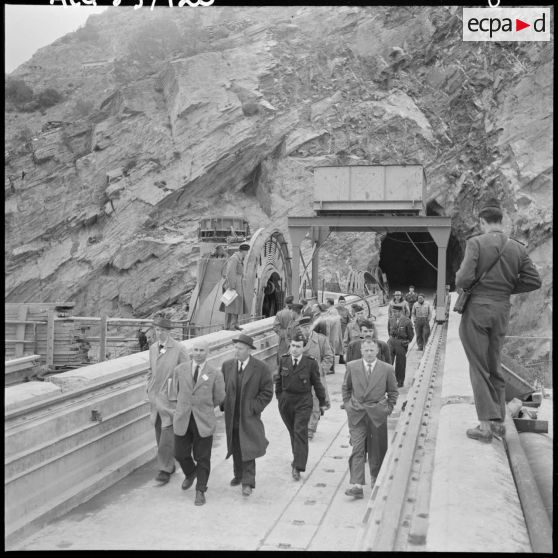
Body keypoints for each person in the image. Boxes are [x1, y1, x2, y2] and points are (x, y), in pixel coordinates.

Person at [455, 198, 541, 443]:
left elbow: (462, 280)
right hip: (502, 310)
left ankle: (485, 427)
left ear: (482, 222)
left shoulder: (476, 243)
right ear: (501, 222)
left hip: (477, 310)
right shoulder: (516, 248)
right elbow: (534, 280)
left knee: (478, 366)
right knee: (494, 364)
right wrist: (505, 288)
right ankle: (499, 422)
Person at [343, 337, 398, 498]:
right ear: (361, 351)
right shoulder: (352, 367)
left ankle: (376, 478)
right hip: (357, 413)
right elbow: (346, 388)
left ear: (377, 351)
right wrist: (348, 406)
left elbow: (393, 392)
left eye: (371, 350)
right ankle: (357, 485)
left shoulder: (387, 369)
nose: (368, 353)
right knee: (358, 448)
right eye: (365, 350)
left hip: (377, 414)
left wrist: (387, 409)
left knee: (377, 450)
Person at [173, 339, 225, 506]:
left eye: (202, 350)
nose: (198, 353)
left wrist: (205, 407)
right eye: (196, 349)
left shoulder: (215, 373)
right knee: (179, 453)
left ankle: (200, 490)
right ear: (191, 351)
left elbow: (219, 397)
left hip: (203, 420)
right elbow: (174, 392)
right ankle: (191, 472)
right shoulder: (180, 370)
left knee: (203, 457)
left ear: (207, 352)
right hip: (183, 418)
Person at [220, 333, 273, 496]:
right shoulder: (227, 365)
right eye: (235, 348)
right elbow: (222, 387)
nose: (237, 351)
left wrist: (253, 407)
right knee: (235, 445)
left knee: (247, 446)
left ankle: (248, 482)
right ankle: (238, 474)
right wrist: (223, 404)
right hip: (232, 415)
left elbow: (267, 392)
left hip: (248, 416)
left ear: (249, 350)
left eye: (240, 348)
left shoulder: (261, 368)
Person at [275, 334, 328, 480]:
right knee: (293, 432)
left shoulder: (310, 363)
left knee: (300, 431)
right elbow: (278, 380)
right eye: (292, 345)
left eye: (298, 346)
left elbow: (317, 384)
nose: (294, 349)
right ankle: (296, 457)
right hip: (286, 402)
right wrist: (279, 397)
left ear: (303, 347)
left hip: (303, 401)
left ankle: (298, 466)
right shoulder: (284, 360)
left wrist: (322, 402)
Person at [146, 316, 189, 484]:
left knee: (166, 434)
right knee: (159, 433)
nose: (160, 333)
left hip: (170, 399)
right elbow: (150, 370)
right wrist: (148, 387)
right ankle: (169, 464)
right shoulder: (153, 348)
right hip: (155, 398)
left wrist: (178, 395)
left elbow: (186, 373)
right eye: (157, 330)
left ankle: (164, 468)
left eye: (163, 330)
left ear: (169, 331)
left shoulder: (179, 349)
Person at [296, 316, 333, 439]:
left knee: (315, 403)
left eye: (308, 327)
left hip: (316, 378)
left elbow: (328, 357)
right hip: (300, 378)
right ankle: (304, 425)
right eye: (303, 327)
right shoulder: (296, 341)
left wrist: (320, 370)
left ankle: (310, 428)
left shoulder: (321, 340)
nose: (306, 329)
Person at [222, 243, 250, 330]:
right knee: (231, 305)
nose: (247, 253)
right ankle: (229, 326)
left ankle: (235, 325)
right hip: (234, 284)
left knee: (237, 305)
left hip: (238, 284)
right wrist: (232, 286)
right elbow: (230, 272)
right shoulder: (234, 259)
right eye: (247, 251)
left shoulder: (239, 258)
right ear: (244, 251)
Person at [387, 305, 414, 388]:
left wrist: (406, 342)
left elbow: (411, 335)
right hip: (391, 342)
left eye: (395, 312)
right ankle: (389, 381)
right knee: (388, 362)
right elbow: (389, 330)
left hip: (401, 343)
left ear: (400, 312)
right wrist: (391, 339)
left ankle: (400, 381)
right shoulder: (391, 320)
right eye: (393, 312)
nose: (393, 314)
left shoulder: (407, 321)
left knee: (400, 363)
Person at [273, 295, 294, 365]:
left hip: (283, 341)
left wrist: (285, 335)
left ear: (285, 303)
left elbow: (275, 328)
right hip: (296, 339)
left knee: (283, 358)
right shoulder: (298, 313)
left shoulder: (280, 313)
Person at [335, 296, 352, 363]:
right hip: (336, 330)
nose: (342, 303)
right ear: (338, 302)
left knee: (343, 344)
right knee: (336, 344)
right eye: (341, 302)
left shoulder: (346, 310)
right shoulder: (335, 310)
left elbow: (349, 320)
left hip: (344, 329)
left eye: (343, 302)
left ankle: (341, 358)